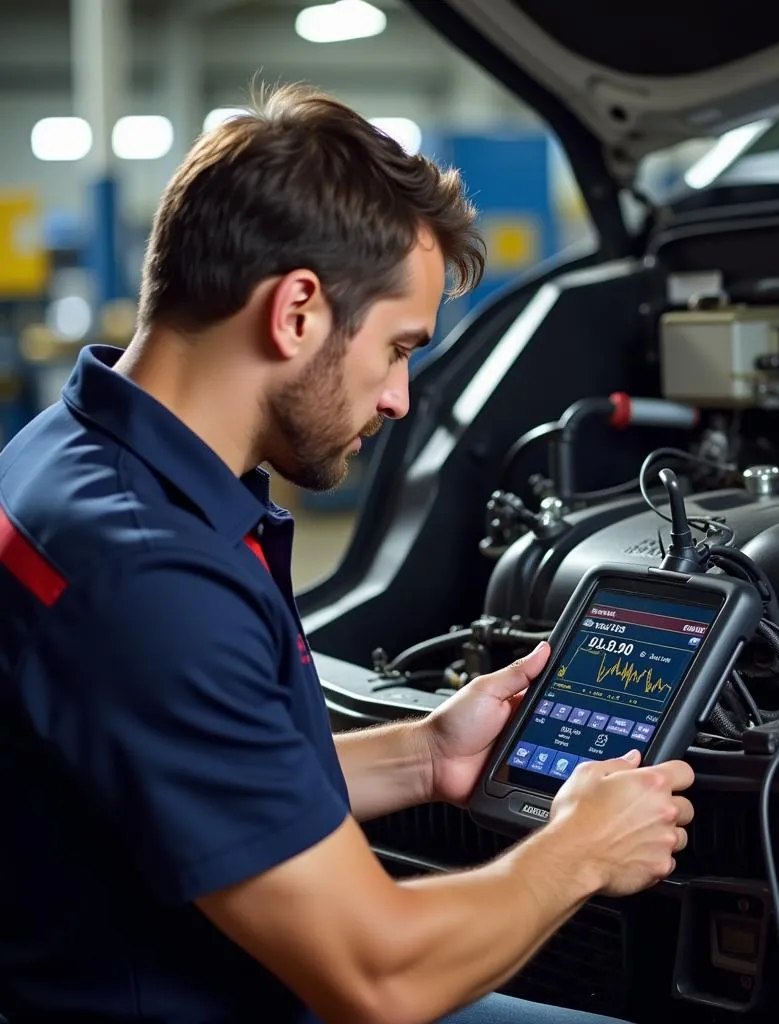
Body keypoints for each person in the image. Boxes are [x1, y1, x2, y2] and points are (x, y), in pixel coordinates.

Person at [0, 83, 696, 1024]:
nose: (402, 397)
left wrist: (422, 756)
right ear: (296, 312)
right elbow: (381, 977)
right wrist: (579, 852)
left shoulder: (76, 455)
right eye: (399, 348)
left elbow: (195, 768)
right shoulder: (149, 575)